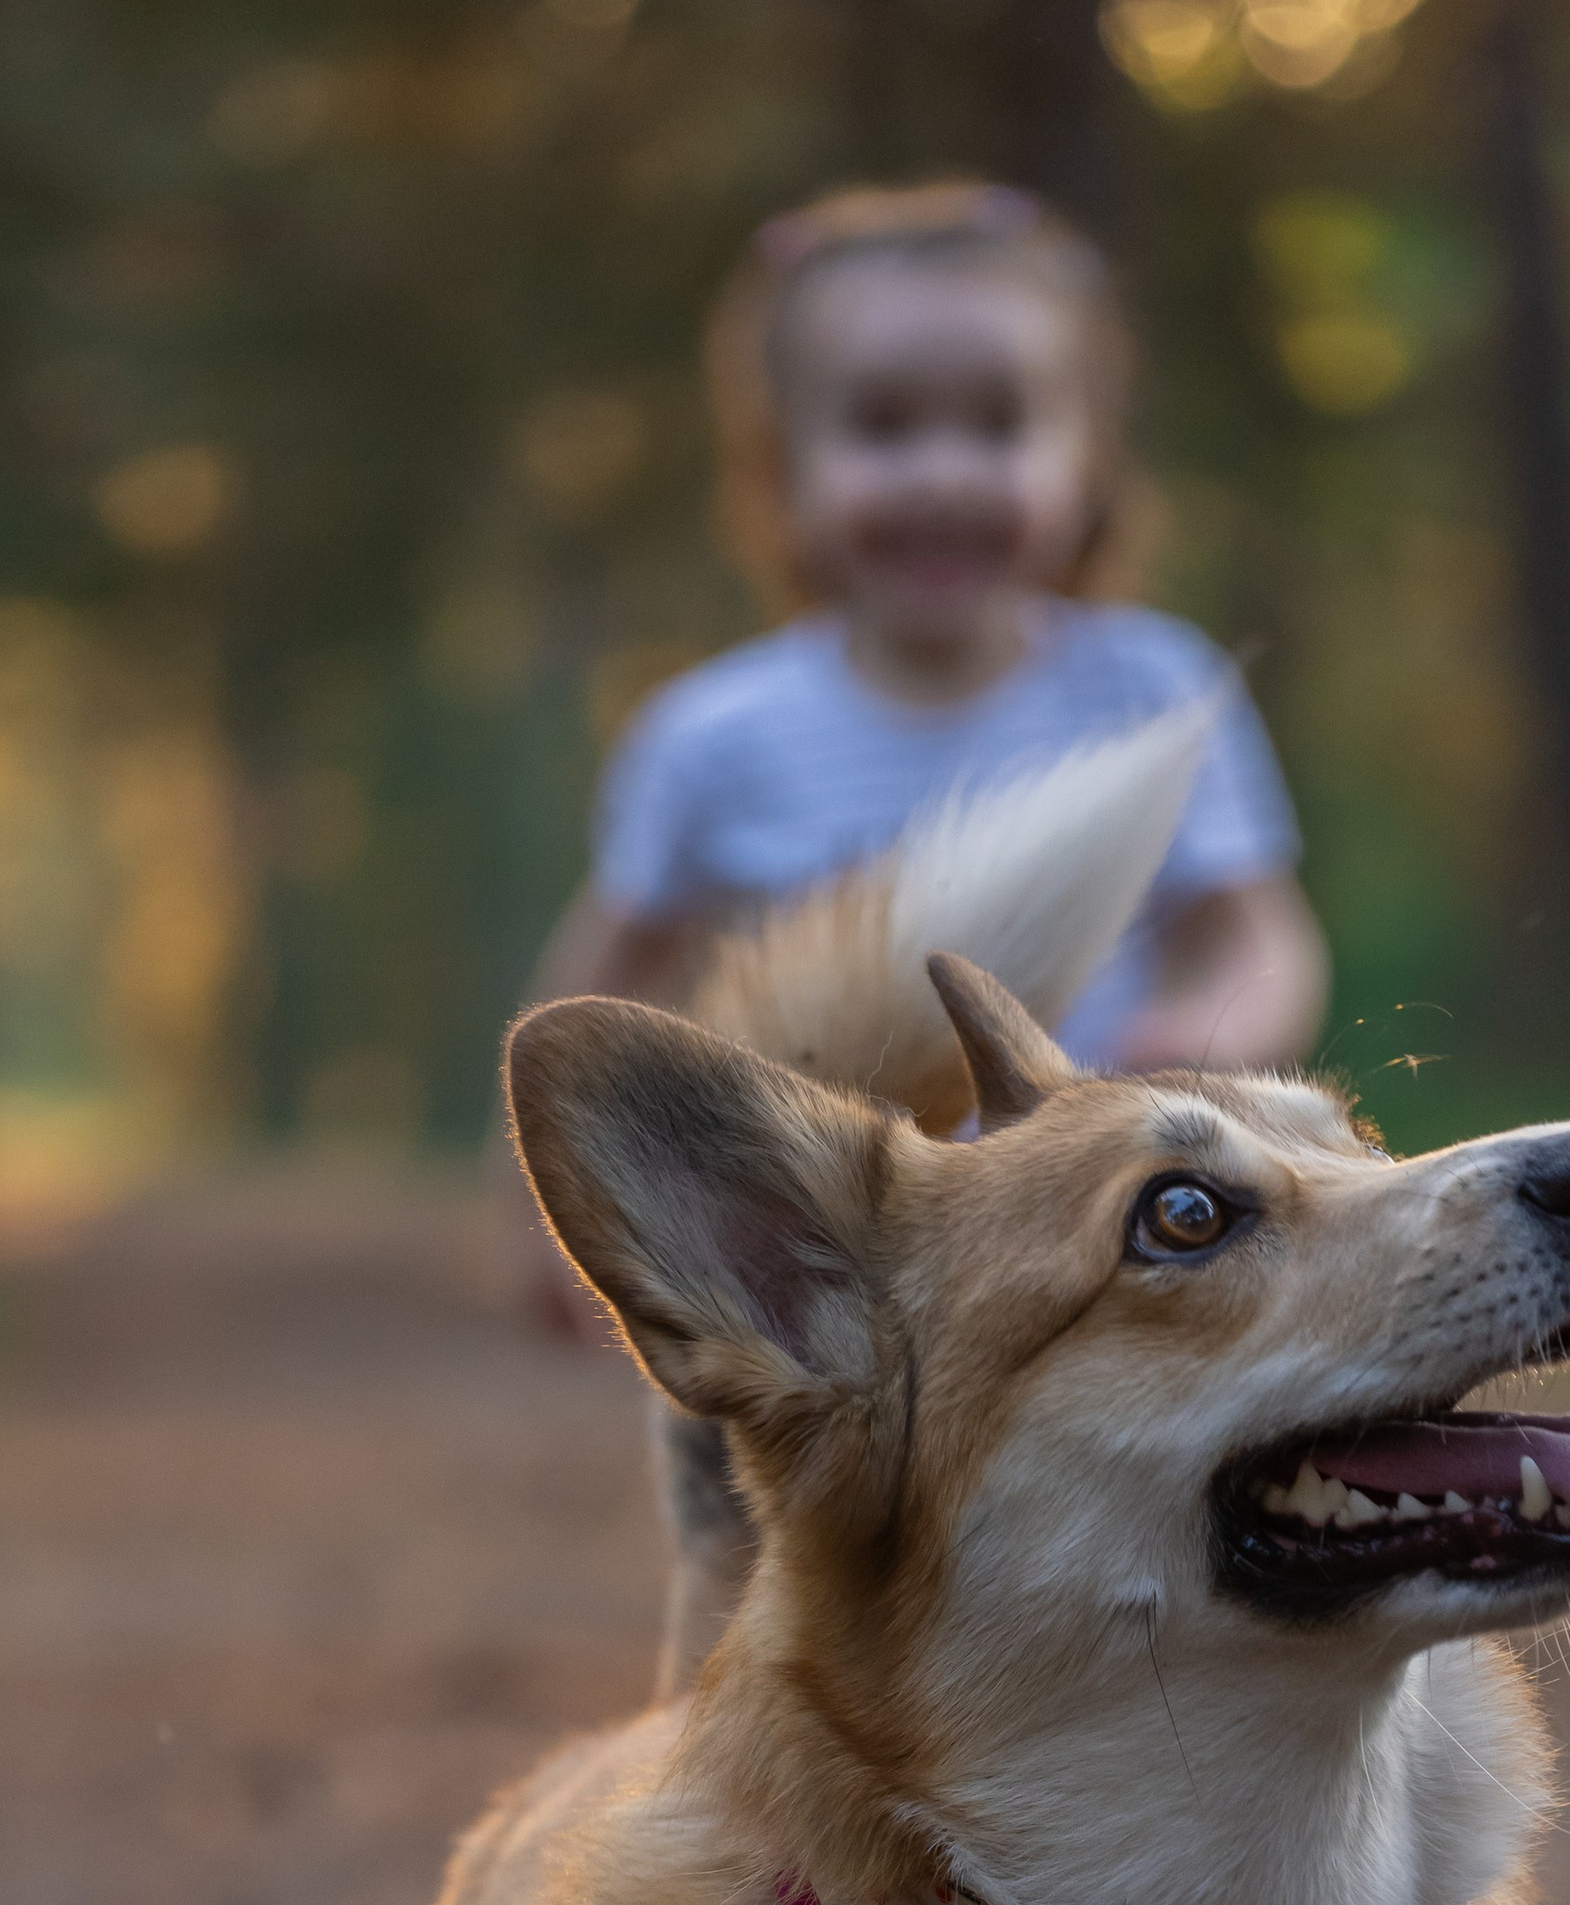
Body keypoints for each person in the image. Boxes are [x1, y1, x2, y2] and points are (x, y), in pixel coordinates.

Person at [508, 179, 1329, 1320]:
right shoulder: (709, 736)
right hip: (825, 1275)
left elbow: (1259, 934)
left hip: (1097, 1258)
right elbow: (609, 974)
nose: (943, 473)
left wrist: (1201, 1032)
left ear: (1082, 458)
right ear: (779, 466)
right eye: (884, 426)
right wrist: (564, 1211)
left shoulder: (1154, 688)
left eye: (998, 425)